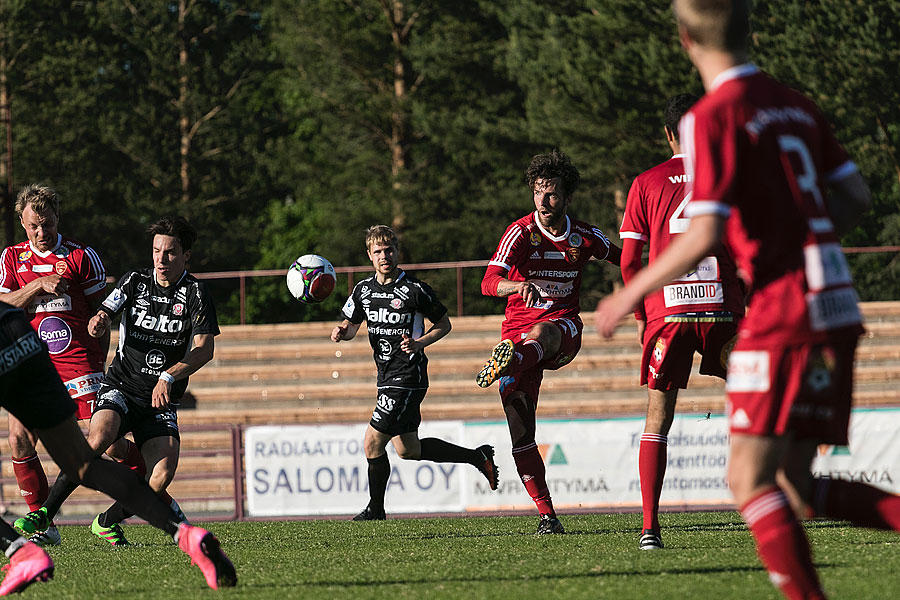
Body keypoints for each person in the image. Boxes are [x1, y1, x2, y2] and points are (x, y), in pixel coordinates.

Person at [596, 1, 899, 597]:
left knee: (750, 478)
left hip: (784, 304)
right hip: (834, 297)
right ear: (748, 31)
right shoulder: (795, 104)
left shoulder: (713, 116)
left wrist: (625, 295)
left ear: (685, 39)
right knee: (793, 486)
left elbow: (705, 233)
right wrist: (805, 237)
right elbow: (856, 197)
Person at [0, 300, 236, 594]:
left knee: (94, 452)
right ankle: (184, 534)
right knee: (83, 462)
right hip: (17, 329)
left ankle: (21, 551)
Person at [15, 216, 217, 547]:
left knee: (160, 477)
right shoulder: (135, 282)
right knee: (98, 440)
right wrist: (98, 321)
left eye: (170, 253)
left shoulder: (195, 292)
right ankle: (44, 514)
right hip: (121, 386)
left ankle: (107, 521)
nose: (161, 260)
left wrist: (169, 375)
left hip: (159, 399)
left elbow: (204, 349)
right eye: (156, 251)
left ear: (186, 255)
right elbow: (105, 311)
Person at [0, 184, 169, 547]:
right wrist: (37, 286)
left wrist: (99, 359)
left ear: (57, 218)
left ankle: (153, 486)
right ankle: (44, 525)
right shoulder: (12, 259)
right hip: (31, 365)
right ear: (22, 223)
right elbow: (4, 304)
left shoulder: (82, 256)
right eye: (33, 226)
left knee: (108, 446)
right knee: (17, 438)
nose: (41, 233)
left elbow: (102, 315)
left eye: (47, 224)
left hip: (80, 363)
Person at [619, 94, 745, 550]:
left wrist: (639, 314)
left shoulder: (646, 182)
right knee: (753, 404)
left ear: (669, 134)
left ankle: (650, 527)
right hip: (722, 310)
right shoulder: (729, 177)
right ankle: (771, 506)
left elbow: (631, 260)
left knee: (658, 417)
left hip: (668, 313)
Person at [476, 149, 621, 534]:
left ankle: (510, 361)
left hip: (562, 331)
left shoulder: (586, 237)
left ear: (567, 198)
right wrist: (516, 284)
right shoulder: (520, 233)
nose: (543, 201)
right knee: (520, 434)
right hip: (516, 335)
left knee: (544, 332)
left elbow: (626, 259)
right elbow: (489, 282)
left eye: (552, 194)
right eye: (538, 192)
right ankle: (547, 517)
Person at [331, 225, 499, 520]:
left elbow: (444, 325)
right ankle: (477, 456)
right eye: (379, 251)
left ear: (397, 251)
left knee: (372, 442)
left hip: (409, 376)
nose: (385, 255)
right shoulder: (363, 291)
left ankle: (375, 510)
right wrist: (341, 331)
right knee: (408, 450)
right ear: (369, 255)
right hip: (385, 376)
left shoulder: (415, 289)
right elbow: (351, 327)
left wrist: (419, 343)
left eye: (390, 249)